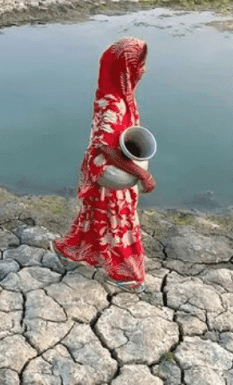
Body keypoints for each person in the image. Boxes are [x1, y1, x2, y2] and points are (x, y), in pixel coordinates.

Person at [53, 37, 156, 291]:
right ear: (124, 68)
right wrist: (142, 175)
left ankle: (70, 250)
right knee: (120, 223)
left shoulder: (120, 94)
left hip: (111, 170)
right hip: (109, 173)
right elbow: (107, 150)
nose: (143, 70)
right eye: (138, 64)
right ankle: (124, 274)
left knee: (95, 217)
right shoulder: (113, 102)